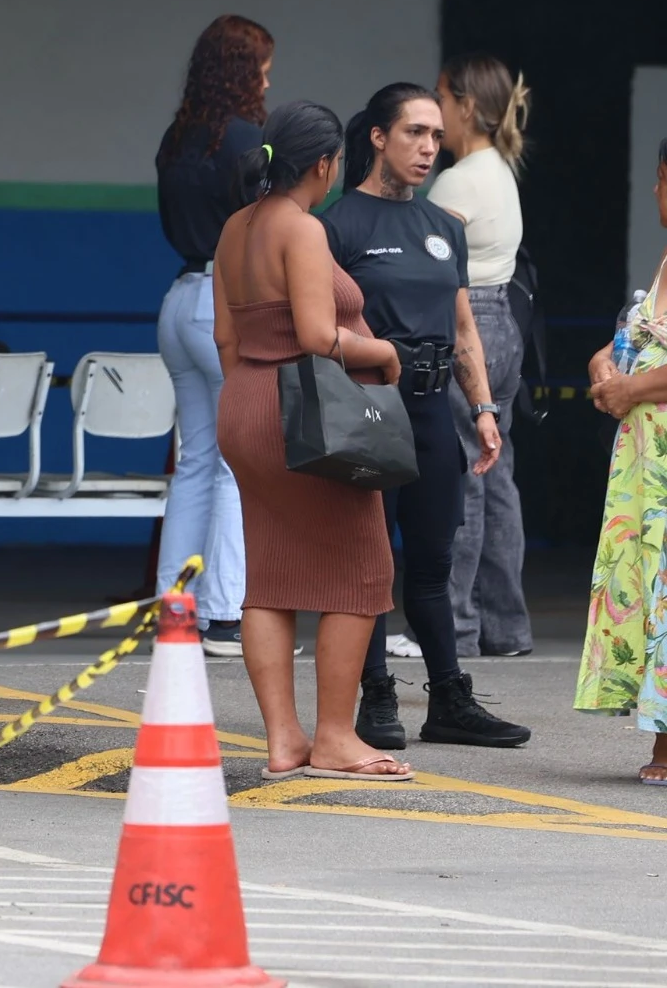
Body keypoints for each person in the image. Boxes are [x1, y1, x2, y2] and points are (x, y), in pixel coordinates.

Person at [321, 83, 530, 750]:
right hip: (369, 408)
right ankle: (375, 696)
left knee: (435, 561)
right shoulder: (337, 225)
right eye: (414, 132)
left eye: (437, 136)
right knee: (369, 565)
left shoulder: (443, 227)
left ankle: (448, 698)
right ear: (378, 137)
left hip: (436, 410)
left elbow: (463, 325)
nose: (428, 148)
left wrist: (485, 408)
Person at [214, 98, 412, 781]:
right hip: (301, 409)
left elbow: (226, 338)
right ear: (325, 164)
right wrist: (381, 351)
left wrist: (249, 401)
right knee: (363, 570)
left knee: (268, 575)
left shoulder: (235, 228)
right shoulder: (300, 230)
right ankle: (334, 737)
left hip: (243, 402)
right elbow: (318, 335)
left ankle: (283, 740)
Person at [154, 14, 273, 658]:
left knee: (196, 461)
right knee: (237, 466)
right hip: (223, 301)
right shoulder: (249, 139)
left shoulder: (178, 138)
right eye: (263, 66)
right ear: (242, 70)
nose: (267, 77)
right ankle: (226, 615)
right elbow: (262, 226)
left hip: (177, 300)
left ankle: (174, 611)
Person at [432, 54, 535, 658]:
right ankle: (505, 627)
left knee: (462, 477)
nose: (435, 113)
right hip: (505, 325)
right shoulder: (500, 167)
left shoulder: (458, 180)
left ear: (467, 106)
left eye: (442, 98)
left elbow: (433, 269)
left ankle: (454, 627)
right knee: (496, 474)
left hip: (467, 322)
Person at [576, 138, 667, 783]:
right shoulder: (663, 266)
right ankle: (664, 739)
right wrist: (605, 366)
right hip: (645, 466)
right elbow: (624, 341)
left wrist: (633, 388)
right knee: (651, 584)